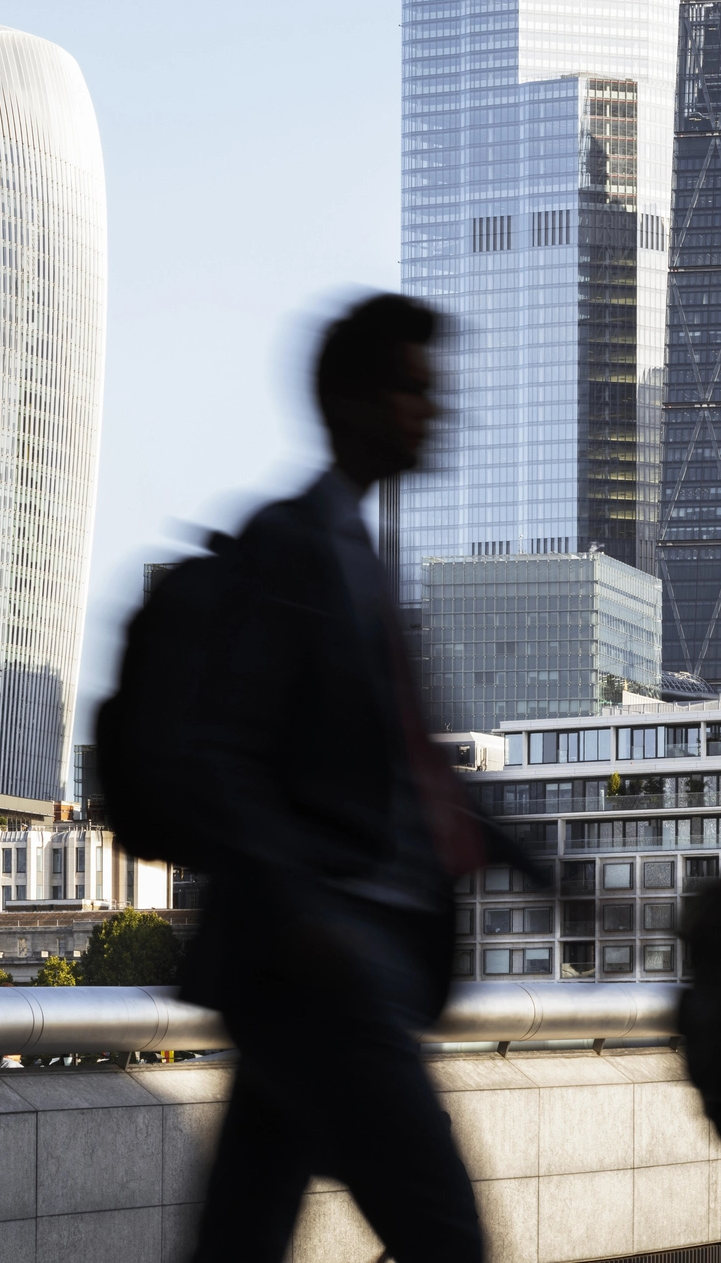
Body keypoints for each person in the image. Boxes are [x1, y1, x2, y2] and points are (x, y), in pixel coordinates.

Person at [177, 294, 528, 1263]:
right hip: (329, 965)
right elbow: (221, 752)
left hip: (321, 962)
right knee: (448, 1237)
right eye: (414, 389)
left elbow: (404, 769)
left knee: (237, 1241)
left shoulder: (355, 557)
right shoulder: (291, 546)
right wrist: (306, 911)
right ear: (351, 399)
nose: (437, 408)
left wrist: (529, 857)